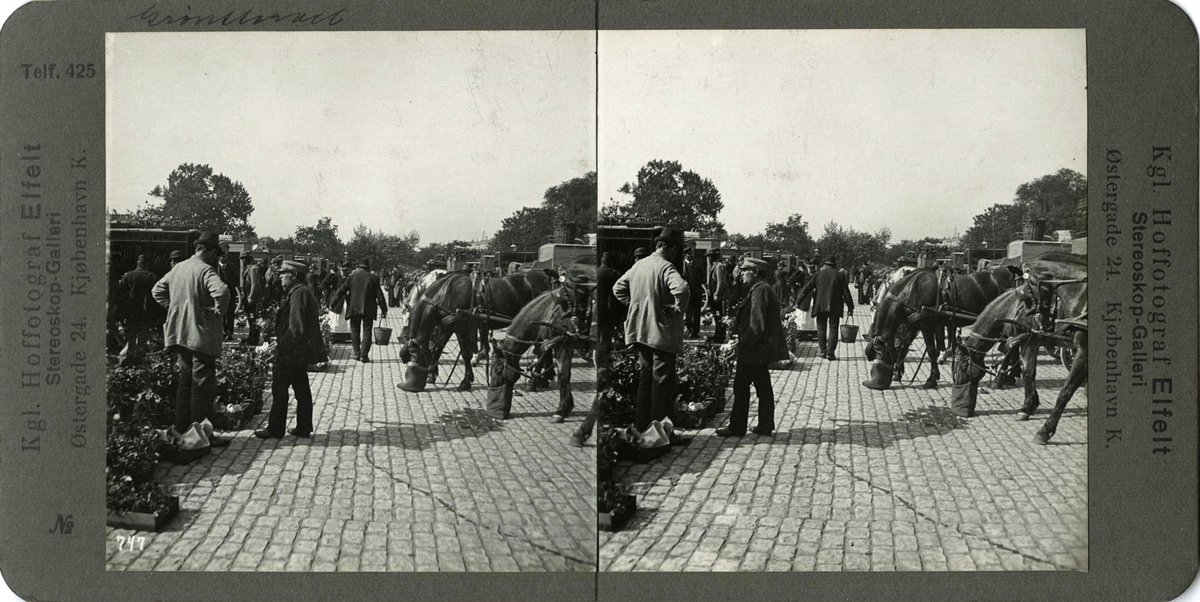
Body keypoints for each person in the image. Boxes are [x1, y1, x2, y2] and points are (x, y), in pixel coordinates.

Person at [151, 232, 231, 446]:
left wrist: (174, 308)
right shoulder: (205, 270)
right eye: (216, 254)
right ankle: (201, 436)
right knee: (202, 387)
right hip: (200, 337)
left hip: (180, 335)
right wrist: (217, 311)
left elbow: (157, 290)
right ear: (210, 252)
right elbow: (222, 291)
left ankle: (181, 429)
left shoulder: (178, 268)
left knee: (185, 383)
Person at [613, 229, 689, 431]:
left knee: (646, 381)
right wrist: (677, 310)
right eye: (676, 251)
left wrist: (634, 305)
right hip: (660, 334)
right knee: (662, 385)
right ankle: (659, 434)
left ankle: (643, 428)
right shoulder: (666, 267)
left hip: (640, 332)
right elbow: (682, 289)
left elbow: (618, 288)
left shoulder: (639, 265)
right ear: (670, 248)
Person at [717, 257, 787, 437]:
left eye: (744, 271)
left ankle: (737, 427)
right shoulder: (761, 288)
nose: (741, 274)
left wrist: (741, 345)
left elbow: (757, 326)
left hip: (753, 350)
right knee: (763, 387)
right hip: (759, 349)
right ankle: (765, 425)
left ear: (755, 272)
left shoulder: (760, 291)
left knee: (741, 387)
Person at [255, 260, 322, 440]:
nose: (280, 277)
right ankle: (303, 427)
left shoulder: (298, 293)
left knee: (280, 389)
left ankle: (275, 429)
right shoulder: (299, 292)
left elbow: (296, 328)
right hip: (297, 351)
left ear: (293, 275)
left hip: (291, 352)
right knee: (301, 389)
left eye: (283, 273)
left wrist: (280, 347)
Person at [571, 251, 622, 447]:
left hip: (594, 322)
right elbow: (617, 297)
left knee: (598, 359)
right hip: (608, 321)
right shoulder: (614, 274)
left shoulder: (594, 275)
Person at [798, 255, 854, 360]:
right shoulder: (839, 275)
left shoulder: (818, 274)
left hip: (820, 305)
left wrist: (799, 301)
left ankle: (823, 351)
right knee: (833, 329)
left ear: (825, 264)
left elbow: (807, 288)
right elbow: (846, 293)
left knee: (821, 328)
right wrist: (850, 307)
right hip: (835, 306)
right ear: (834, 265)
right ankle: (830, 353)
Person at [334, 257, 388, 362]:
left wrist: (333, 303)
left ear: (358, 267)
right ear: (368, 267)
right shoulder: (373, 278)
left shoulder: (352, 277)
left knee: (355, 330)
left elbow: (341, 290)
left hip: (354, 307)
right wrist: (384, 309)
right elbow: (379, 295)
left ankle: (356, 353)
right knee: (367, 331)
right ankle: (364, 355)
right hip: (369, 309)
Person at [116, 254, 159, 366]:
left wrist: (121, 312)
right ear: (146, 264)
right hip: (145, 313)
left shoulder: (127, 276)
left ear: (137, 264)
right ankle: (140, 362)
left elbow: (120, 295)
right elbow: (155, 298)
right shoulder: (152, 277)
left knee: (130, 338)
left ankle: (128, 361)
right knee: (142, 339)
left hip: (131, 313)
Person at [705, 250, 729, 343]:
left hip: (718, 297)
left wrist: (717, 294)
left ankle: (720, 336)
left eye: (709, 257)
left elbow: (720, 281)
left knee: (719, 316)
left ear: (711, 257)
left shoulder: (719, 266)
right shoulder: (715, 266)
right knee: (716, 315)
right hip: (714, 296)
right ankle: (717, 334)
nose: (708, 259)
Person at [239, 254, 264, 345]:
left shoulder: (253, 269)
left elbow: (255, 284)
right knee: (250, 318)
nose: (242, 261)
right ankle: (251, 336)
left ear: (247, 259)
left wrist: (251, 297)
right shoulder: (249, 268)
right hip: (248, 299)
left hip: (252, 300)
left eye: (243, 259)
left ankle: (254, 338)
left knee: (253, 318)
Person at [682, 246, 705, 338]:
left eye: (692, 253)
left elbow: (703, 276)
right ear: (685, 255)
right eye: (689, 254)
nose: (691, 255)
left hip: (697, 292)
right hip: (687, 293)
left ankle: (695, 331)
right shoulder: (682, 265)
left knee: (697, 313)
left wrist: (699, 283)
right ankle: (689, 329)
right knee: (688, 312)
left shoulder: (698, 263)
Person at [217, 246, 238, 340]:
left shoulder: (232, 266)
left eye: (225, 256)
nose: (224, 258)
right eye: (222, 256)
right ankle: (222, 332)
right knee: (221, 314)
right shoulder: (215, 267)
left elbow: (236, 278)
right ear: (219, 257)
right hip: (220, 294)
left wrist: (234, 288)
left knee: (230, 314)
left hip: (231, 294)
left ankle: (229, 333)